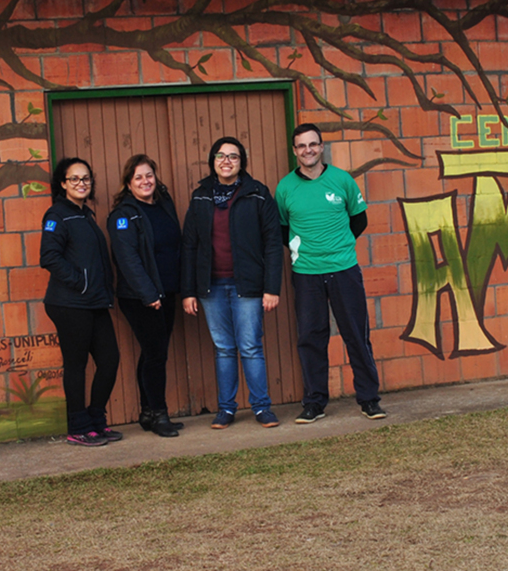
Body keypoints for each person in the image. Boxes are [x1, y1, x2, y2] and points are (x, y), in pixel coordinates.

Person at [275, 123, 387, 424]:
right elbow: (284, 231)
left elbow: (359, 221)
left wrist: (338, 247)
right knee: (311, 338)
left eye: (313, 144)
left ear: (321, 146)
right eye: (301, 146)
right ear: (295, 150)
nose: (307, 150)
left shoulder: (342, 180)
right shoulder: (285, 188)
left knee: (356, 335)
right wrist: (311, 251)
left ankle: (369, 399)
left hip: (344, 270)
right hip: (307, 274)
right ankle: (314, 403)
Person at [181, 137, 284, 429]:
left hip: (247, 287)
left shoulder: (257, 193)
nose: (226, 161)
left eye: (233, 157)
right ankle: (226, 409)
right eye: (221, 156)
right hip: (211, 288)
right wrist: (189, 291)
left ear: (242, 162)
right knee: (224, 348)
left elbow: (273, 244)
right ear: (212, 161)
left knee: (250, 346)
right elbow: (189, 245)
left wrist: (271, 287)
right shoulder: (200, 196)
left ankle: (262, 408)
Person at [40, 157, 122, 447]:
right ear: (63, 184)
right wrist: (82, 282)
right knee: (76, 365)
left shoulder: (84, 214)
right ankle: (78, 426)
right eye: (74, 179)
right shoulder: (57, 215)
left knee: (109, 360)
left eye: (85, 178)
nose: (81, 183)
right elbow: (49, 256)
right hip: (69, 303)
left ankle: (95, 421)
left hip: (93, 302)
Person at [107, 154, 185, 438]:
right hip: (141, 298)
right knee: (156, 355)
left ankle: (147, 411)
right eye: (138, 177)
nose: (145, 181)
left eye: (149, 175)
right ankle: (159, 414)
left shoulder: (164, 205)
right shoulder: (123, 216)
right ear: (128, 184)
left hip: (166, 292)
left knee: (154, 352)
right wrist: (148, 294)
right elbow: (127, 260)